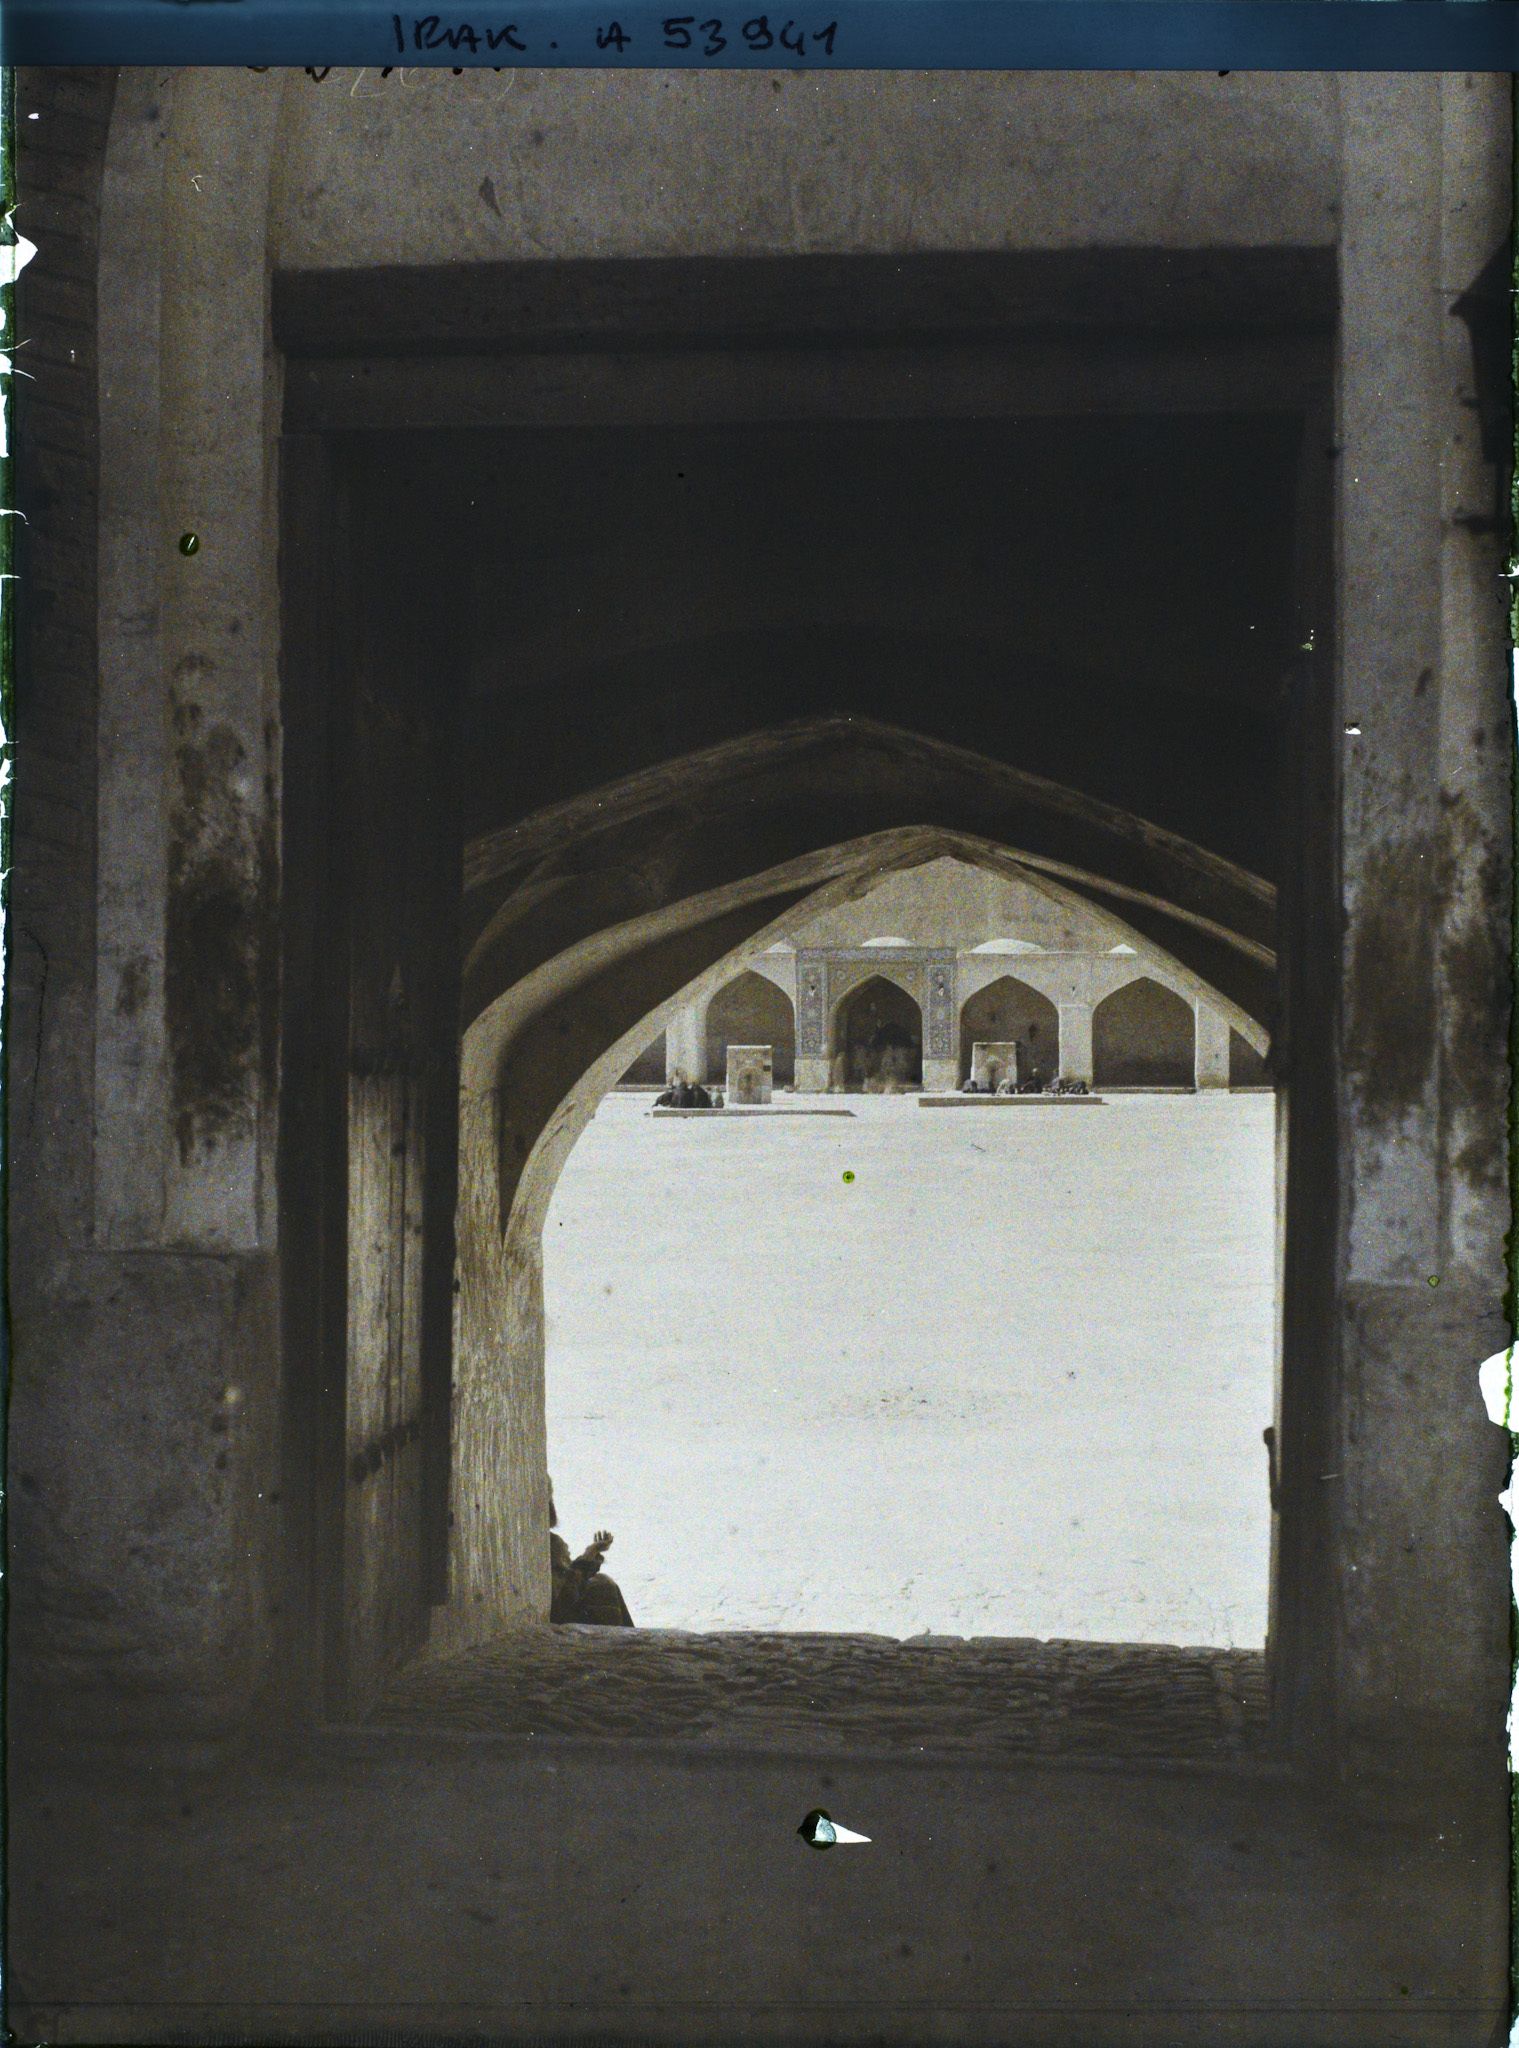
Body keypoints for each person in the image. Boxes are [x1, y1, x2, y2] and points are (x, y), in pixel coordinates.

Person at [549, 1486, 634, 1626]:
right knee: (602, 1585)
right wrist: (589, 1555)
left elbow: (568, 1582)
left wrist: (591, 1553)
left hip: (564, 1611)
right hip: (562, 1617)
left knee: (602, 1582)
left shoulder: (550, 1542)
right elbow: (566, 1595)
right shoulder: (551, 1544)